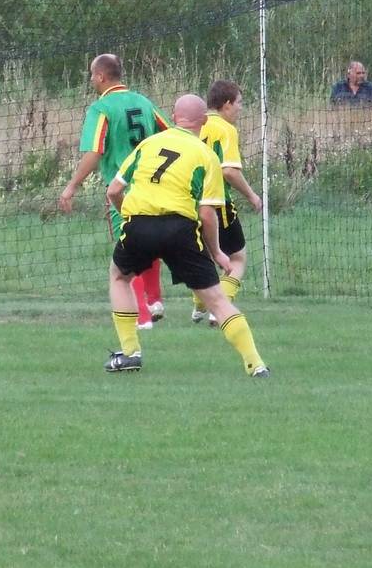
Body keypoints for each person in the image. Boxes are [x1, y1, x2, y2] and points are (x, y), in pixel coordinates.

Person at [103, 93, 269, 377]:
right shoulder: (206, 156)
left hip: (138, 225)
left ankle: (130, 353)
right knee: (217, 300)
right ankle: (256, 365)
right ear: (204, 121)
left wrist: (130, 217)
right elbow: (207, 214)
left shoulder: (148, 144)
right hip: (180, 229)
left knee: (120, 276)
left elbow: (114, 191)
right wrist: (217, 252)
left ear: (172, 117)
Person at [59, 54, 168, 329]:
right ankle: (154, 300)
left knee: (128, 249)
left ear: (100, 77)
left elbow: (94, 152)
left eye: (91, 75)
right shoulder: (144, 101)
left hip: (123, 189)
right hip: (154, 186)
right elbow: (169, 133)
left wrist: (71, 186)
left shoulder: (101, 108)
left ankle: (142, 318)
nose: (90, 80)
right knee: (150, 242)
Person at [190, 79, 263, 327]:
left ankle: (200, 302)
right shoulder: (225, 129)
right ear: (227, 104)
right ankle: (219, 308)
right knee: (236, 257)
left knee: (205, 255)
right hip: (216, 203)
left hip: (189, 203)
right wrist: (252, 195)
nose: (241, 108)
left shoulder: (195, 124)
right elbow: (229, 171)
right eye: (239, 102)